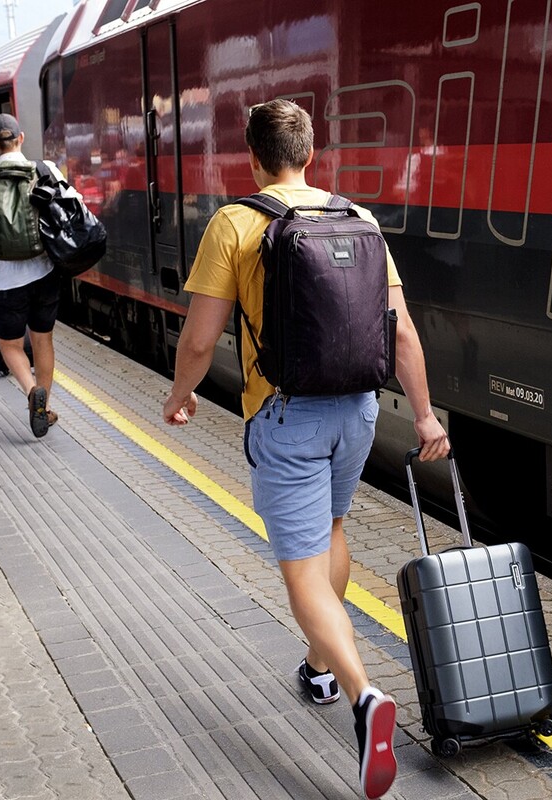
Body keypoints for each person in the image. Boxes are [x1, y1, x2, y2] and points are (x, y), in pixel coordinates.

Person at [161, 99, 450, 799]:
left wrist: (180, 395)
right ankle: (321, 667)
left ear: (253, 157)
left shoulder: (236, 222)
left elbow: (201, 339)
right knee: (333, 531)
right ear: (311, 154)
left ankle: (362, 696)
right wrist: (426, 419)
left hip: (285, 415)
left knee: (300, 573)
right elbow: (402, 332)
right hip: (357, 409)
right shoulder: (359, 219)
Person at [0, 113, 62, 436]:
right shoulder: (46, 169)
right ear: (21, 139)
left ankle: (32, 391)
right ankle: (44, 409)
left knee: (10, 345)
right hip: (45, 271)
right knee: (42, 338)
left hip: (5, 278)